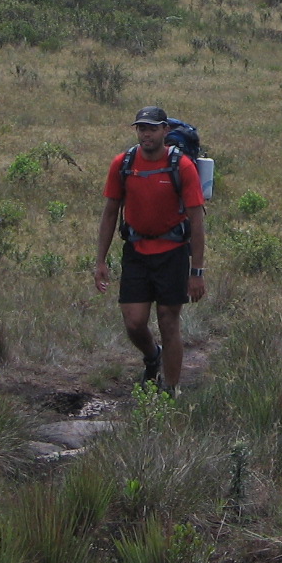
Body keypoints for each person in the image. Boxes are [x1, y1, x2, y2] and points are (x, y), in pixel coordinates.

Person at [94, 106, 206, 393]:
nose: (146, 134)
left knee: (169, 322)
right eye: (141, 128)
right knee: (133, 322)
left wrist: (197, 271)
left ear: (165, 131)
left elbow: (196, 219)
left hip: (172, 253)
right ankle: (152, 357)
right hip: (136, 251)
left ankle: (170, 390)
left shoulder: (182, 167)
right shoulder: (123, 163)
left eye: (152, 128)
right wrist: (100, 261)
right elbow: (110, 212)